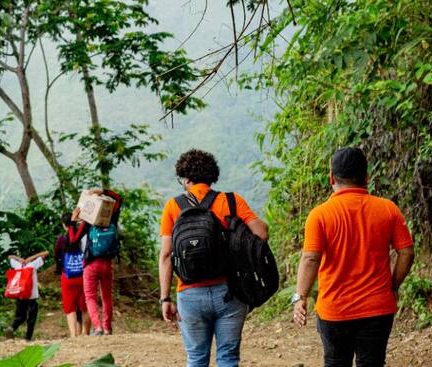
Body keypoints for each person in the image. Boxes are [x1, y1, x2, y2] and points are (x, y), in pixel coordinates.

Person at [293, 146, 415, 367]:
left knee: (336, 362)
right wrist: (393, 286)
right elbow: (406, 252)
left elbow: (310, 258)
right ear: (367, 177)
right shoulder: (388, 209)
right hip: (378, 308)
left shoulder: (319, 215)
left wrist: (300, 297)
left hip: (334, 311)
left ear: (331, 178)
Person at [159, 149, 269, 367]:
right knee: (228, 358)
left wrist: (165, 298)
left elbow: (165, 255)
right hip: (229, 292)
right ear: (212, 176)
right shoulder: (231, 201)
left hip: (189, 295)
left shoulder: (173, 206)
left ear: (186, 179)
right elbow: (262, 232)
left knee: (196, 359)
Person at [73, 188, 122, 336]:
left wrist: (73, 220)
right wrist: (104, 191)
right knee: (107, 297)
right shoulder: (111, 218)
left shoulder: (88, 222)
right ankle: (107, 328)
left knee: (90, 297)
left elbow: (73, 240)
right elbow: (119, 199)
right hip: (107, 264)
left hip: (91, 264)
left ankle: (98, 327)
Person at [54, 212, 91, 337]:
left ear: (65, 226)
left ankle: (73, 335)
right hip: (83, 275)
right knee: (85, 306)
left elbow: (57, 257)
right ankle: (86, 333)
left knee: (70, 309)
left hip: (68, 277)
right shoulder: (83, 237)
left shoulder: (61, 240)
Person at [4, 250, 48, 341]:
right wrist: (32, 258)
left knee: (20, 316)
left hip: (20, 295)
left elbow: (10, 257)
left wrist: (19, 259)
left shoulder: (17, 265)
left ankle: (12, 327)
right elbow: (46, 253)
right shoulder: (33, 264)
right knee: (31, 318)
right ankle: (28, 338)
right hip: (31, 296)